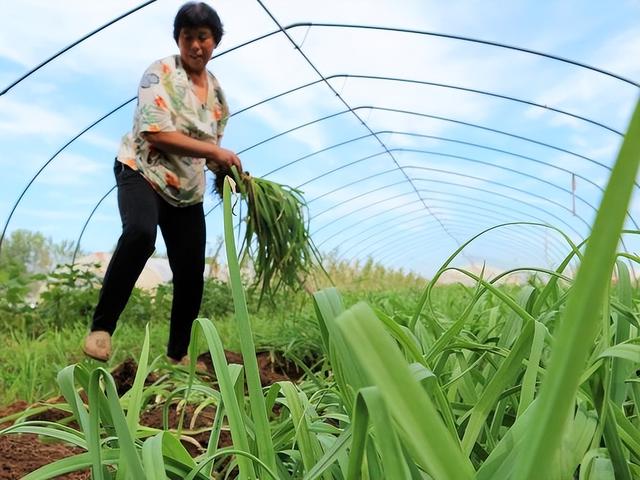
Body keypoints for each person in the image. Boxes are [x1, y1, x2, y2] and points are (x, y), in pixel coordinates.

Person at [83, 1, 242, 365]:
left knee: (190, 272)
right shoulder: (160, 73)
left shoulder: (218, 97)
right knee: (140, 234)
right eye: (188, 37)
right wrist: (216, 154)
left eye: (203, 37)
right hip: (143, 171)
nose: (196, 45)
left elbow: (211, 150)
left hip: (185, 190)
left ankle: (177, 355)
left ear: (215, 41)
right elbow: (155, 133)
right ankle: (101, 329)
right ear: (178, 39)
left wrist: (229, 170)